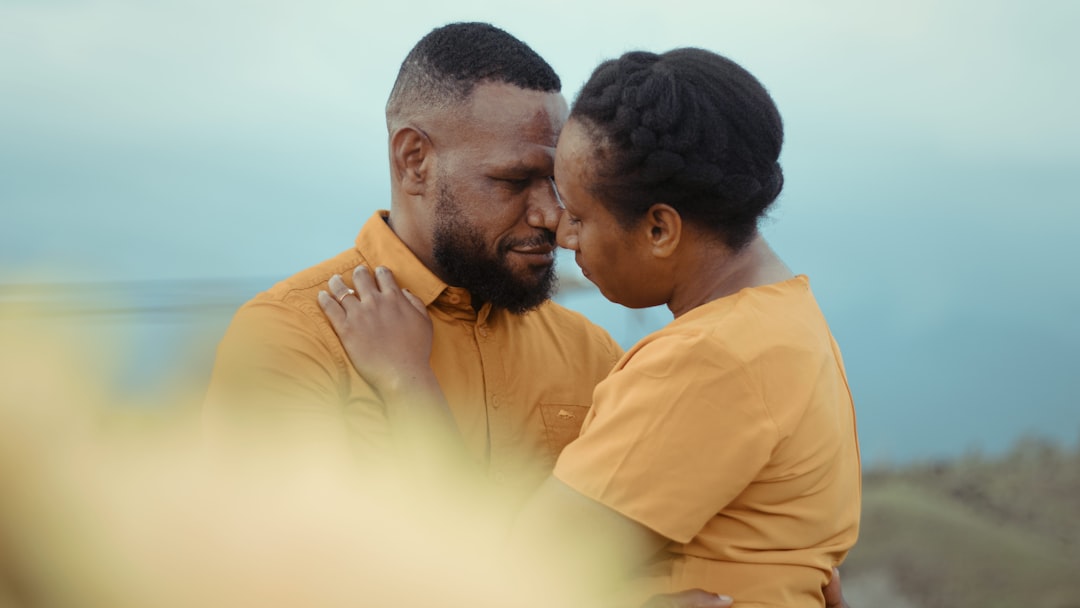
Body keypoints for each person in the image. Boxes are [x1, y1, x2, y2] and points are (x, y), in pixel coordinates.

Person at [205, 21, 850, 607]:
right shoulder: (293, 337)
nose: (551, 216)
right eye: (515, 182)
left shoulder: (598, 355)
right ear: (413, 161)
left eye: (562, 188)